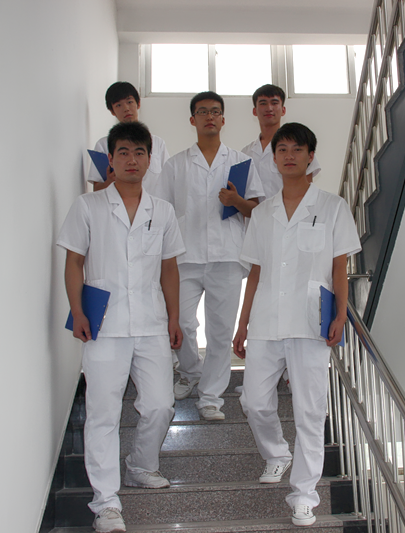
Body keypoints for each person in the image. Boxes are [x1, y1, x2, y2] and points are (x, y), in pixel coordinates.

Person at [58, 122, 185, 533]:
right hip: (104, 325)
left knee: (161, 404)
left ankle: (141, 465)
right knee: (103, 413)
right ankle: (106, 504)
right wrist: (77, 310)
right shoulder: (88, 206)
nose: (132, 160)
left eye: (140, 152)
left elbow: (169, 268)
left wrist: (173, 317)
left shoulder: (162, 211)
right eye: (124, 152)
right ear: (110, 160)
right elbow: (74, 261)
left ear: (150, 159)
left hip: (150, 322)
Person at [233, 123, 361, 527]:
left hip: (311, 322)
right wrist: (242, 324)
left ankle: (304, 496)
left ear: (310, 156)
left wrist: (340, 314)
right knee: (254, 401)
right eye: (282, 149)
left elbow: (339, 267)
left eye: (297, 149)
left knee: (310, 411)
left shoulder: (333, 206)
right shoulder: (263, 212)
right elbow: (255, 272)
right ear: (273, 159)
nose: (289, 155)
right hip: (266, 320)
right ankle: (277, 453)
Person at [153, 91, 264, 421]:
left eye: (215, 111)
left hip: (227, 256)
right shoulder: (175, 165)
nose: (209, 117)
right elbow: (160, 212)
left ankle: (211, 397)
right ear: (193, 120)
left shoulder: (241, 163)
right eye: (202, 112)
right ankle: (191, 372)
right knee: (182, 322)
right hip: (184, 257)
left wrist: (235, 201)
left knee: (219, 330)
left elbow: (256, 210)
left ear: (223, 119)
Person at [88, 81, 169, 194]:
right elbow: (96, 190)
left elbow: (168, 181)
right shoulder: (103, 145)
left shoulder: (157, 143)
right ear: (112, 111)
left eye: (129, 102)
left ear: (138, 104)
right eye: (118, 105)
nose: (126, 108)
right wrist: (110, 181)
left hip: (152, 203)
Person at [241, 84, 321, 199]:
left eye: (274, 103)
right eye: (263, 103)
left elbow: (306, 189)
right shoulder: (246, 153)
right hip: (256, 211)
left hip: (289, 209)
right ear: (254, 111)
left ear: (283, 110)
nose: (269, 108)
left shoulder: (299, 147)